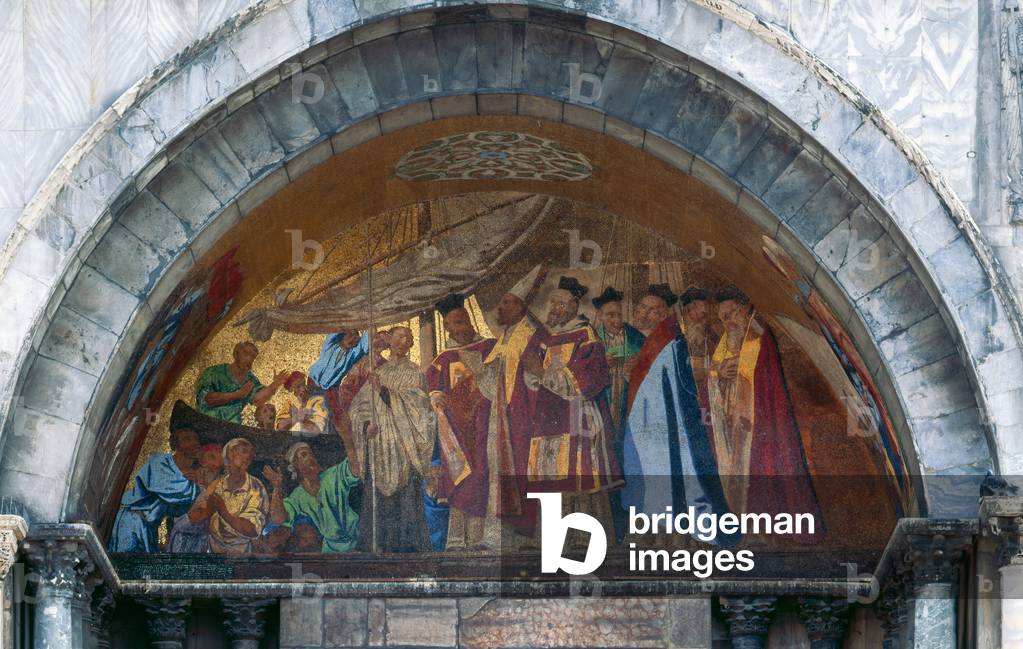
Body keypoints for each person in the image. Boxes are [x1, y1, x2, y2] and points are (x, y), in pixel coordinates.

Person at [620, 284, 738, 545]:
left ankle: (677, 534)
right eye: (642, 308)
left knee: (675, 477)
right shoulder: (645, 339)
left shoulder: (668, 337)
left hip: (669, 423)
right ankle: (655, 532)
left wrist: (713, 371)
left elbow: (681, 375)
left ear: (664, 314)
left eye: (652, 310)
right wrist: (632, 374)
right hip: (645, 423)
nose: (643, 314)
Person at [707, 286, 822, 537]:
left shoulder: (760, 340)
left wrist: (737, 370)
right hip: (731, 426)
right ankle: (737, 525)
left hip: (758, 424)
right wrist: (718, 375)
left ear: (746, 309)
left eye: (731, 314)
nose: (727, 323)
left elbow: (763, 380)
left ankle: (762, 529)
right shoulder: (724, 344)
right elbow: (713, 378)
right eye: (723, 318)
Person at [523, 276, 623, 535]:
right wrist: (532, 373)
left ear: (573, 306)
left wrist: (542, 373)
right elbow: (532, 375)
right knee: (550, 475)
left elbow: (586, 380)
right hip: (547, 419)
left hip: (578, 418)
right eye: (553, 303)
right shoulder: (547, 338)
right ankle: (553, 536)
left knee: (578, 475)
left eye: (560, 304)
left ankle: (582, 536)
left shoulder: (585, 335)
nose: (554, 309)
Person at [473, 264, 548, 537]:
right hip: (504, 413)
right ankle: (510, 525)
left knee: (524, 464)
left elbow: (540, 372)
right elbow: (493, 373)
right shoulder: (506, 334)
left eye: (506, 302)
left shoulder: (534, 334)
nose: (500, 308)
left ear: (520, 306)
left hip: (525, 412)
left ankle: (527, 529)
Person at [349, 326, 435, 552]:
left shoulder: (414, 372)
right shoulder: (379, 372)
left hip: (403, 447)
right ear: (390, 340)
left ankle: (408, 551)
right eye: (399, 336)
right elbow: (358, 407)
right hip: (380, 447)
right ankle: (375, 548)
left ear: (411, 344)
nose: (403, 341)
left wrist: (384, 392)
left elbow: (419, 408)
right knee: (377, 503)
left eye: (408, 338)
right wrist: (366, 426)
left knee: (405, 502)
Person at [426, 293, 497, 550]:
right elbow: (433, 387)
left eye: (462, 321)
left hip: (484, 424)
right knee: (460, 478)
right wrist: (436, 397)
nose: (459, 328)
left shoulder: (489, 348)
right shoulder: (443, 359)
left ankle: (480, 537)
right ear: (447, 328)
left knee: (482, 475)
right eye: (453, 324)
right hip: (456, 430)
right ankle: (457, 539)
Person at [108, 428, 201, 553]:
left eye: (196, 439)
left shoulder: (192, 479)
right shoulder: (159, 461)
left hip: (150, 529)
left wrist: (195, 484)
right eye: (187, 439)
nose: (194, 443)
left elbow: (179, 510)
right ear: (176, 445)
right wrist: (191, 482)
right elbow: (166, 490)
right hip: (133, 522)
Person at [263, 442, 361, 553]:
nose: (310, 457)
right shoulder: (297, 496)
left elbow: (355, 470)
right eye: (304, 455)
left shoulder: (332, 476)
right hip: (331, 549)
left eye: (311, 454)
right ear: (295, 465)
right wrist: (277, 487)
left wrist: (347, 438)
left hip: (358, 541)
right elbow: (278, 519)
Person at [189, 437, 268, 555]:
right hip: (212, 548)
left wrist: (223, 511)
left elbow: (252, 530)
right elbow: (195, 516)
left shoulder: (256, 487)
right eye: (243, 451)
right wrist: (206, 510)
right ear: (228, 457)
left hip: (240, 553)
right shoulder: (217, 485)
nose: (248, 456)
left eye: (249, 453)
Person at [195, 341, 288, 423]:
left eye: (253, 357)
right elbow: (207, 399)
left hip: (232, 425)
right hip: (206, 419)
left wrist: (275, 384)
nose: (249, 359)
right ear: (236, 353)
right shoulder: (213, 372)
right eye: (245, 353)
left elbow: (257, 399)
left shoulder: (251, 379)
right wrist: (237, 395)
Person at [168, 442, 223, 553]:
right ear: (201, 459)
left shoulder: (218, 486)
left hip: (202, 541)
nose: (215, 463)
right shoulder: (188, 480)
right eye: (212, 457)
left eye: (220, 460)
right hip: (182, 536)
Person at [679, 288, 714, 417]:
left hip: (707, 397)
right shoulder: (676, 338)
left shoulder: (712, 338)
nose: (702, 323)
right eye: (700, 318)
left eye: (705, 318)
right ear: (688, 311)